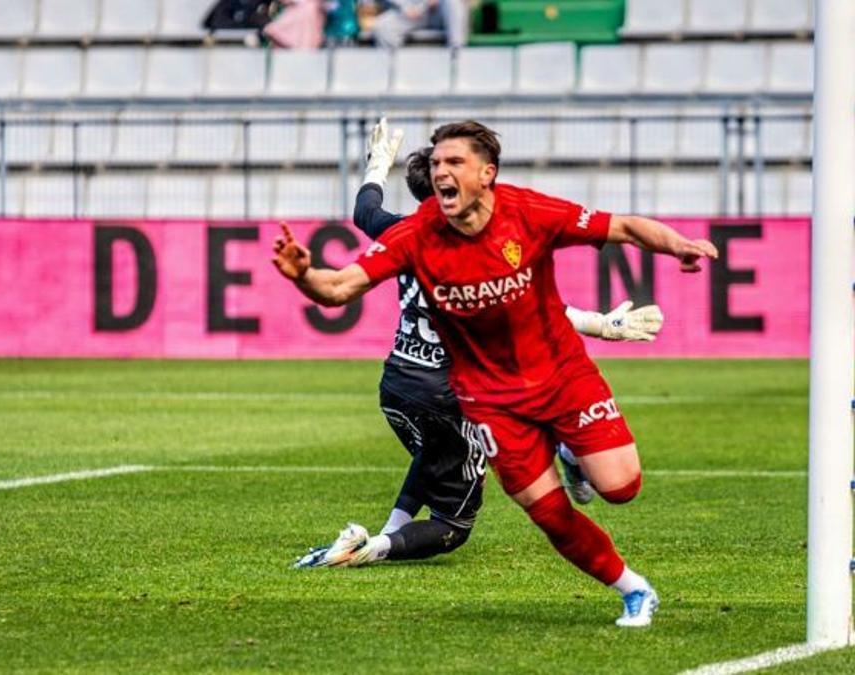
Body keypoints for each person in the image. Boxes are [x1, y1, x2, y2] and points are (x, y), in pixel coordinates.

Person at [271, 120, 718, 628]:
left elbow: (624, 227)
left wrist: (677, 244)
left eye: (454, 162)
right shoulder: (414, 236)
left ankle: (567, 450)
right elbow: (338, 288)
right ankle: (633, 590)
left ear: (487, 174)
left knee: (621, 487)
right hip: (487, 401)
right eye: (437, 163)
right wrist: (304, 275)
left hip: (562, 376)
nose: (441, 171)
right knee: (548, 513)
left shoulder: (529, 211)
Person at [365, 0, 467, 48]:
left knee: (453, 3)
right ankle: (394, 70)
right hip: (410, 11)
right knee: (382, 26)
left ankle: (456, 56)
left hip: (441, 9)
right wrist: (403, 7)